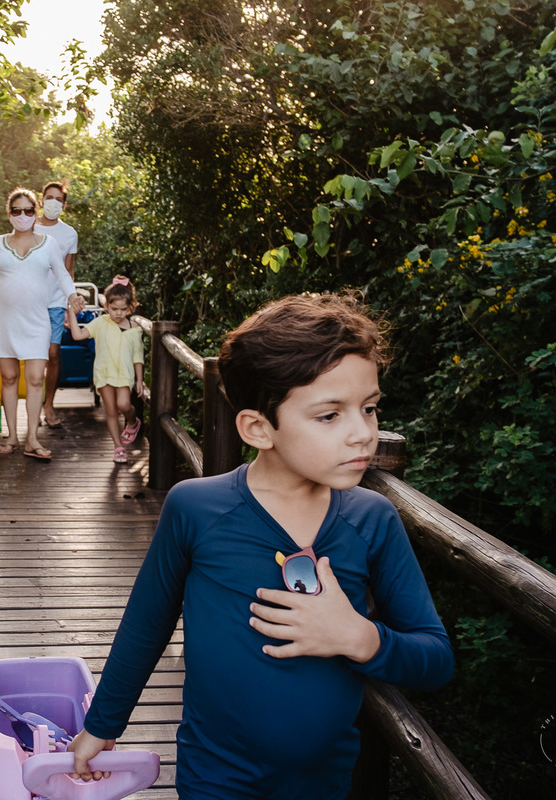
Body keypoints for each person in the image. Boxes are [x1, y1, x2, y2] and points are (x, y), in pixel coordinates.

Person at [67, 293, 454, 799]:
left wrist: (360, 638)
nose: (363, 434)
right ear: (257, 428)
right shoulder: (197, 509)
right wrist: (102, 725)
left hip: (324, 782)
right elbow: (147, 624)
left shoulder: (372, 520)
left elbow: (436, 658)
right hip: (215, 777)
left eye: (369, 408)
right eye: (329, 416)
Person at [0, 188, 84, 461]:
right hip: (2, 321)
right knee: (9, 377)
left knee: (36, 378)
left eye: (28, 210)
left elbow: (63, 274)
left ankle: (32, 438)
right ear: (8, 213)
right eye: (16, 210)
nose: (22, 215)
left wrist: (73, 296)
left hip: (37, 320)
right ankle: (12, 435)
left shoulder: (49, 243)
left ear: (35, 212)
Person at [63, 275, 145, 463]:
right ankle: (118, 447)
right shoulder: (100, 323)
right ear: (106, 306)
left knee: (124, 405)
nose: (119, 313)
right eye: (114, 309)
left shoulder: (134, 328)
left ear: (130, 307)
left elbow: (138, 356)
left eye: (123, 309)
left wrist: (139, 380)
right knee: (111, 411)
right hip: (104, 373)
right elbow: (77, 335)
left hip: (124, 375)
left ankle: (133, 422)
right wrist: (71, 313)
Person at [35, 180, 79, 430]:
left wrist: (68, 307)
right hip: (29, 303)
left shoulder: (69, 233)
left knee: (53, 354)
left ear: (64, 205)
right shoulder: (28, 225)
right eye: (49, 197)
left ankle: (49, 404)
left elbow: (68, 271)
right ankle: (32, 407)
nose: (53, 202)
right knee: (32, 356)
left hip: (54, 302)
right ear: (41, 200)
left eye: (58, 199)